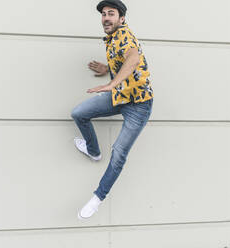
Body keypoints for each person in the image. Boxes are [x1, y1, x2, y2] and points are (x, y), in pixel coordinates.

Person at [71, 0, 154, 220]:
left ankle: (98, 198)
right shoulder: (112, 38)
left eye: (111, 14)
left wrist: (111, 84)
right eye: (104, 14)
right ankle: (94, 151)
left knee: (118, 153)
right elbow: (123, 60)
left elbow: (133, 58)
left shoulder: (125, 36)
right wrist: (107, 69)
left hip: (139, 106)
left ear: (122, 18)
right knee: (79, 113)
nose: (106, 18)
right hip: (121, 97)